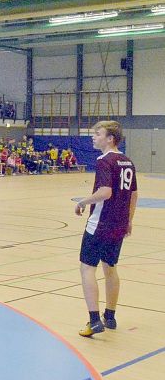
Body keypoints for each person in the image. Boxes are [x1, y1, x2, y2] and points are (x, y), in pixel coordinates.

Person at [74, 121, 138, 338]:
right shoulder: (127, 162)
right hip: (118, 224)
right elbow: (134, 194)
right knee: (110, 267)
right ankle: (110, 316)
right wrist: (129, 220)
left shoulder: (104, 160)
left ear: (110, 138)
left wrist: (82, 202)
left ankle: (94, 321)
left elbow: (105, 192)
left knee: (87, 268)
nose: (94, 137)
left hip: (100, 224)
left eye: (97, 134)